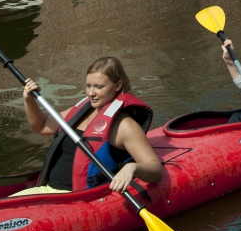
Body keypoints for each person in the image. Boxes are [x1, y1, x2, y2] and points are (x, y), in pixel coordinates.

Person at [20, 56, 164, 193]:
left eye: (98, 87)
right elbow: (42, 125)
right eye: (88, 86)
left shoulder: (124, 125)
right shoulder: (81, 111)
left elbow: (155, 169)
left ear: (118, 85)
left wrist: (133, 168)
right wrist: (29, 100)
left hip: (76, 198)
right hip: (48, 190)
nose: (91, 93)